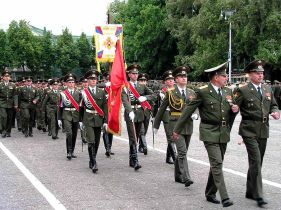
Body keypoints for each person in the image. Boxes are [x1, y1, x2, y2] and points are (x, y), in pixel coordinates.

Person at [173, 62, 239, 207]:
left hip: (223, 132)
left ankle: (210, 193)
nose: (226, 78)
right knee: (217, 163)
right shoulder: (202, 91)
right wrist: (177, 130)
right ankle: (225, 197)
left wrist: (235, 110)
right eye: (223, 75)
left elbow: (229, 113)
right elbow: (187, 111)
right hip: (209, 131)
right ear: (216, 77)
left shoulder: (227, 91)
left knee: (217, 164)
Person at [234, 60, 280, 207]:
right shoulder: (243, 90)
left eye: (262, 73)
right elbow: (233, 107)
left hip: (263, 129)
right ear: (250, 74)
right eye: (257, 73)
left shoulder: (267, 88)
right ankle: (259, 195)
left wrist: (275, 111)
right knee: (256, 160)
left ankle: (249, 190)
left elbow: (273, 104)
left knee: (257, 162)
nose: (260, 75)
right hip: (249, 130)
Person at [154, 66, 196, 187]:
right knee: (182, 152)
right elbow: (162, 109)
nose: (184, 78)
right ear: (176, 79)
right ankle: (186, 177)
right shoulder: (171, 92)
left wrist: (196, 114)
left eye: (185, 76)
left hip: (188, 125)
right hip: (176, 125)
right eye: (181, 76)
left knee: (183, 152)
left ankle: (178, 176)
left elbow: (196, 107)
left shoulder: (191, 92)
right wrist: (156, 125)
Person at [121, 64, 156, 170]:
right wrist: (129, 111)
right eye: (133, 73)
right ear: (129, 74)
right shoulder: (125, 86)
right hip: (130, 114)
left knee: (136, 137)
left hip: (140, 113)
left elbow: (154, 95)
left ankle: (131, 159)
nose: (135, 75)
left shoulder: (142, 86)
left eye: (136, 73)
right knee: (133, 136)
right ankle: (135, 161)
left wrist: (144, 97)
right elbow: (124, 100)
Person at [80, 70, 108, 173]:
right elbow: (81, 108)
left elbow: (105, 107)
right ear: (87, 80)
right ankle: (94, 162)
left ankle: (92, 159)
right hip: (88, 118)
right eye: (91, 79)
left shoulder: (102, 91)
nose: (93, 81)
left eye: (95, 79)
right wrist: (80, 121)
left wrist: (106, 121)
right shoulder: (83, 93)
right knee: (91, 140)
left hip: (98, 119)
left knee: (96, 141)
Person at [153, 70, 177, 164]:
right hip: (166, 115)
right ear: (165, 82)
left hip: (176, 115)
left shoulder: (177, 90)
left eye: (172, 79)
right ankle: (175, 159)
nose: (171, 81)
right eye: (168, 79)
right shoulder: (162, 92)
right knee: (170, 137)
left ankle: (168, 157)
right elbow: (156, 105)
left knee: (173, 136)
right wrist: (154, 117)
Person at [58, 73, 82, 160]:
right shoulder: (63, 94)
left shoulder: (79, 93)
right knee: (69, 133)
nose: (71, 84)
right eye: (69, 82)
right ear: (66, 83)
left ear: (75, 83)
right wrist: (59, 118)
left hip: (76, 115)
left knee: (75, 134)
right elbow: (60, 107)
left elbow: (81, 107)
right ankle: (69, 151)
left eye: (72, 82)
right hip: (66, 115)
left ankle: (72, 151)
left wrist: (81, 119)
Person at [0, 70, 18, 137]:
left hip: (10, 103)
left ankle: (8, 131)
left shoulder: (13, 85)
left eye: (8, 76)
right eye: (5, 76)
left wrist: (16, 104)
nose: (7, 77)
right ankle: (4, 131)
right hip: (2, 103)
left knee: (9, 118)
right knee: (4, 117)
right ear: (3, 77)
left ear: (10, 77)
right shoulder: (0, 85)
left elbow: (15, 95)